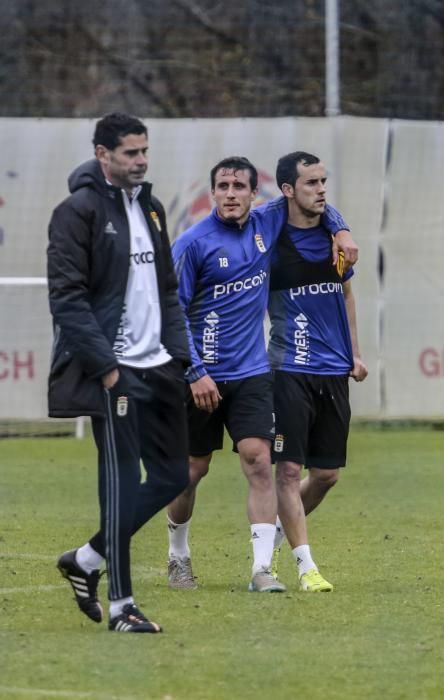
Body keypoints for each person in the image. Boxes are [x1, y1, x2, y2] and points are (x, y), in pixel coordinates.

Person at [165, 156, 359, 592]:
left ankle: (261, 570)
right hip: (202, 376)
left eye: (239, 186)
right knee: (193, 470)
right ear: (212, 192)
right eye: (222, 186)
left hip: (253, 374)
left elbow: (315, 202)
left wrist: (342, 228)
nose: (230, 194)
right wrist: (195, 371)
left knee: (259, 462)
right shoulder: (193, 244)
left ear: (257, 195)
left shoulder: (267, 225)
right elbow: (171, 313)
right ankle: (178, 552)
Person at [47, 112, 191, 633]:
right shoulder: (76, 212)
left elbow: (169, 291)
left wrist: (181, 356)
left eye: (145, 151)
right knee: (123, 487)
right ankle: (121, 607)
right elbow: (67, 299)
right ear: (103, 154)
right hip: (117, 373)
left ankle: (86, 558)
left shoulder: (151, 208)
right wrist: (106, 369)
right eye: (131, 152)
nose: (141, 161)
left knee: (175, 476)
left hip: (160, 368)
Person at [268, 151, 368, 592]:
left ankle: (269, 533)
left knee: (326, 475)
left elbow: (346, 296)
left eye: (324, 181)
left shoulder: (336, 243)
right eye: (311, 183)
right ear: (288, 189)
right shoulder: (269, 240)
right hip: (288, 368)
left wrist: (356, 353)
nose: (321, 189)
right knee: (288, 472)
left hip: (333, 372)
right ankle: (306, 567)